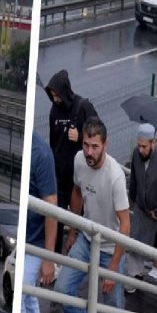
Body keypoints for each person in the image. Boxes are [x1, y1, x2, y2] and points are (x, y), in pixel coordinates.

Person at [54, 117, 130, 313]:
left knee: (112, 308)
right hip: (86, 239)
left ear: (105, 145)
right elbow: (77, 192)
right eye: (86, 145)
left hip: (110, 248)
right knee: (61, 291)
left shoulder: (115, 177)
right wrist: (72, 232)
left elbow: (125, 224)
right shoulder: (79, 159)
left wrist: (113, 266)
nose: (89, 152)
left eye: (95, 147)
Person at [45, 69, 99, 254]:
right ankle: (55, 255)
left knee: (81, 218)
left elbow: (99, 134)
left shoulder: (83, 106)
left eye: (57, 95)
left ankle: (80, 254)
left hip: (79, 176)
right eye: (52, 96)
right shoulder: (54, 110)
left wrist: (80, 137)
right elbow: (52, 141)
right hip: (59, 173)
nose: (56, 99)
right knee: (56, 216)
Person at [125, 124, 157, 288]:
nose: (140, 150)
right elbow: (133, 180)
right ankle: (134, 278)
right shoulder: (136, 154)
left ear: (153, 143)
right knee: (134, 244)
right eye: (138, 145)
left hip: (156, 214)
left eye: (144, 146)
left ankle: (151, 271)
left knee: (154, 248)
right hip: (141, 208)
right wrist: (131, 201)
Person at [21, 132, 58, 313]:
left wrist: (48, 258)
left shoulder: (41, 154)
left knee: (21, 294)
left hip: (34, 244)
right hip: (24, 242)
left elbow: (51, 205)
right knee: (28, 297)